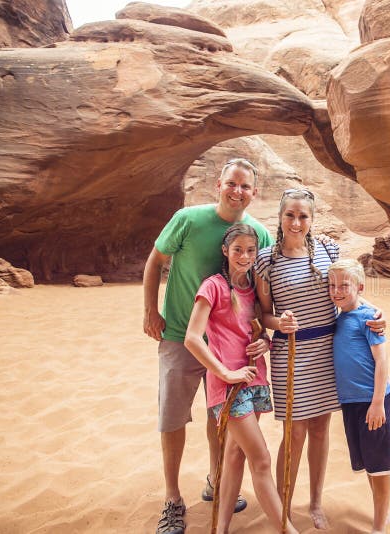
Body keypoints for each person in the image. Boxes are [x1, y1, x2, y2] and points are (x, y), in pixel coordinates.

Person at [143, 159, 274, 534]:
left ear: (254, 192)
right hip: (181, 336)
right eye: (232, 183)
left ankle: (216, 481)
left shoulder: (259, 235)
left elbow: (263, 296)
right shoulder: (188, 219)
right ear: (219, 185)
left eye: (245, 186)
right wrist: (151, 310)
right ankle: (172, 498)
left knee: (220, 416)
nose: (238, 191)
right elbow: (156, 261)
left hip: (229, 347)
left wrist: (265, 335)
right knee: (173, 416)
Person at [254, 188, 386, 529]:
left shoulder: (328, 249)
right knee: (293, 433)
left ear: (311, 220)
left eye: (303, 216)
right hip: (291, 353)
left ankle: (314, 502)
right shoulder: (266, 260)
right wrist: (277, 322)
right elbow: (262, 314)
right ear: (280, 218)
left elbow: (352, 293)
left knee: (320, 428)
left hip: (328, 352)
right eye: (290, 215)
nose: (296, 222)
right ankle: (280, 504)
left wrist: (378, 314)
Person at [184, 224, 298, 534]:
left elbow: (260, 329)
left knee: (235, 454)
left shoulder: (254, 288)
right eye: (238, 250)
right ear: (226, 251)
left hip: (256, 379)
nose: (245, 256)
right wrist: (224, 372)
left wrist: (266, 342)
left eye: (250, 250)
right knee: (260, 460)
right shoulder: (213, 286)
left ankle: (220, 529)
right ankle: (287, 530)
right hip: (229, 385)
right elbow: (192, 338)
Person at [328, 259, 390, 534]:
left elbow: (382, 362)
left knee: (380, 466)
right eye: (332, 285)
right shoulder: (340, 317)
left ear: (359, 287)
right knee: (370, 465)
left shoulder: (369, 319)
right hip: (352, 404)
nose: (336, 291)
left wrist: (377, 402)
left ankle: (379, 527)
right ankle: (382, 514)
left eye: (343, 285)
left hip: (374, 402)